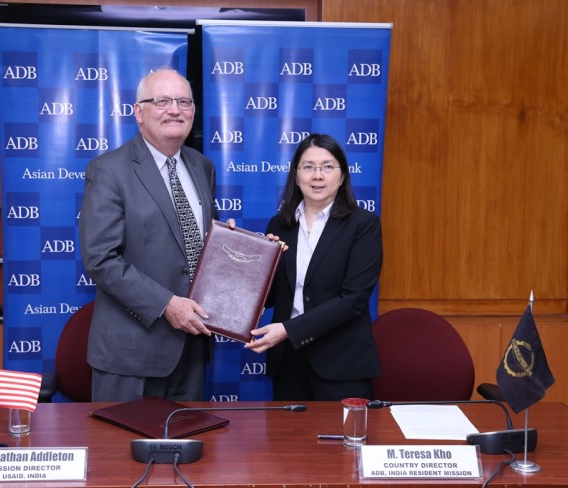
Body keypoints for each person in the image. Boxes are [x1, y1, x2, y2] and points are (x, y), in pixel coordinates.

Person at [79, 68, 218, 402]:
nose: (175, 109)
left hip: (191, 348)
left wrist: (239, 251)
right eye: (162, 101)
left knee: (186, 448)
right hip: (131, 354)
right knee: (120, 452)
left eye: (184, 101)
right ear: (138, 112)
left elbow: (195, 245)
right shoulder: (109, 170)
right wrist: (166, 304)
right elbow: (101, 259)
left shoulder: (202, 166)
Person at [245, 133, 383, 401]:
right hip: (288, 362)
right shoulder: (279, 225)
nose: (317, 176)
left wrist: (289, 330)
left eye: (327, 167)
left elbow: (353, 299)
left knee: (343, 444)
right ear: (296, 176)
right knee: (287, 443)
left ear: (342, 176)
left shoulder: (363, 225)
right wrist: (260, 261)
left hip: (341, 364)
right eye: (308, 167)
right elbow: (270, 297)